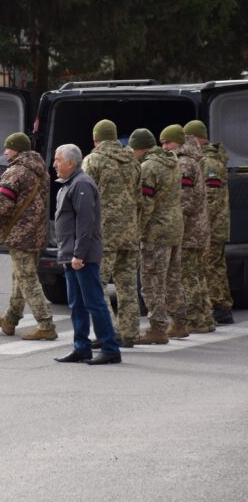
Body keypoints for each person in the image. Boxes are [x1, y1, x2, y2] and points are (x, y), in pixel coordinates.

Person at [0, 133, 58, 340]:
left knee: (27, 279)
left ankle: (45, 324)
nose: (5, 152)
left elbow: (3, 205)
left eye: (8, 148)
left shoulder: (15, 172)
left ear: (17, 149)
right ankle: (10, 320)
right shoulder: (41, 171)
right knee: (19, 277)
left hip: (20, 235)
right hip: (37, 234)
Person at [51, 143, 121, 365]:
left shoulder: (81, 184)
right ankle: (81, 347)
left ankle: (110, 348)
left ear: (71, 163)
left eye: (58, 160)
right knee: (77, 305)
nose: (54, 164)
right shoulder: (68, 183)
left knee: (94, 303)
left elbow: (85, 224)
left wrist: (79, 255)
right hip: (71, 255)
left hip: (82, 257)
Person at [80, 120, 140, 347]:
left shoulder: (93, 160)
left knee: (97, 284)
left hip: (103, 234)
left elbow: (83, 197)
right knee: (128, 286)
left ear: (96, 139)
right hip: (130, 232)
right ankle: (130, 333)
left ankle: (110, 331)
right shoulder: (133, 161)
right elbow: (137, 195)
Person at [127, 128, 187, 345]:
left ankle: (157, 328)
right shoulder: (173, 162)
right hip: (175, 228)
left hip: (155, 232)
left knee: (152, 281)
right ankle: (179, 322)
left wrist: (136, 231)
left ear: (140, 148)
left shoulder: (148, 167)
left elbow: (146, 204)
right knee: (172, 279)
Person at [161, 124, 215, 334]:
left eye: (168, 142)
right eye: (162, 143)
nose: (164, 147)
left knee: (188, 276)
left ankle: (195, 319)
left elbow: (185, 200)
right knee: (197, 276)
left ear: (179, 142)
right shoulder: (193, 160)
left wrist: (170, 220)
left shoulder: (183, 163)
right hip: (197, 230)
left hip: (189, 231)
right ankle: (205, 318)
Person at [184, 120, 234, 325]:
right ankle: (220, 306)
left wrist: (201, 224)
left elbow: (211, 198)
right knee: (213, 266)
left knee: (211, 267)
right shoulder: (205, 160)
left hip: (212, 225)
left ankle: (220, 307)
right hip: (211, 225)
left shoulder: (209, 162)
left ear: (197, 138)